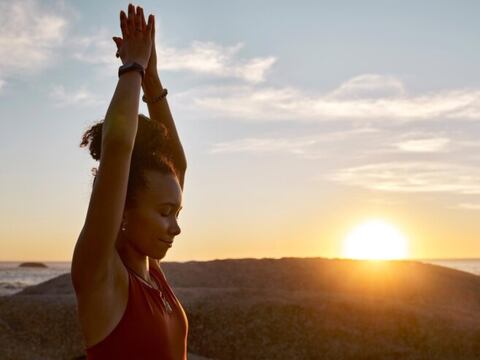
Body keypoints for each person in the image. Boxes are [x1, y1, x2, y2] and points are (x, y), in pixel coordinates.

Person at [70, 4, 188, 359]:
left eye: (177, 212)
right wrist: (132, 69)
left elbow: (176, 167)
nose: (176, 228)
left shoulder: (152, 272)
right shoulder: (101, 277)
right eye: (166, 213)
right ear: (122, 210)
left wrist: (152, 78)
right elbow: (119, 147)